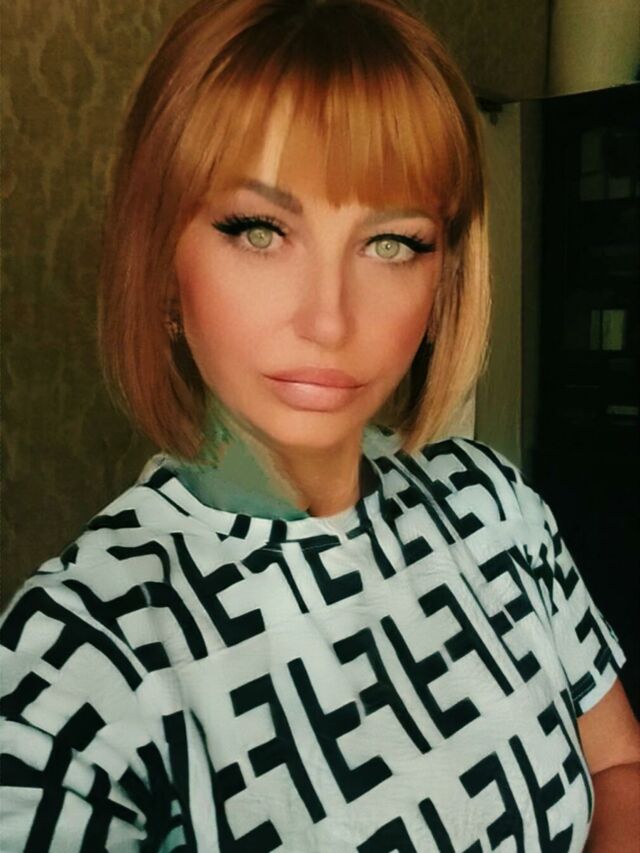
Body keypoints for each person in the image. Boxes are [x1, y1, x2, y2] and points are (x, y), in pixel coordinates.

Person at [1, 0, 639, 849]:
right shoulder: (76, 658)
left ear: (445, 277)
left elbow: (618, 763)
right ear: (160, 262)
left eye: (392, 242)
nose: (330, 320)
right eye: (260, 231)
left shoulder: (492, 504)